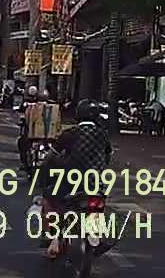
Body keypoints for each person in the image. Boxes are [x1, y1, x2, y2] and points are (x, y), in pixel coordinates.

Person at [40, 99, 114, 258]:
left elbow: (51, 157)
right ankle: (97, 238)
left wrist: (45, 167)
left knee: (48, 199)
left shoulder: (70, 134)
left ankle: (53, 237)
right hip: (95, 183)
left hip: (70, 182)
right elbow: (108, 157)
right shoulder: (103, 135)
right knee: (97, 206)